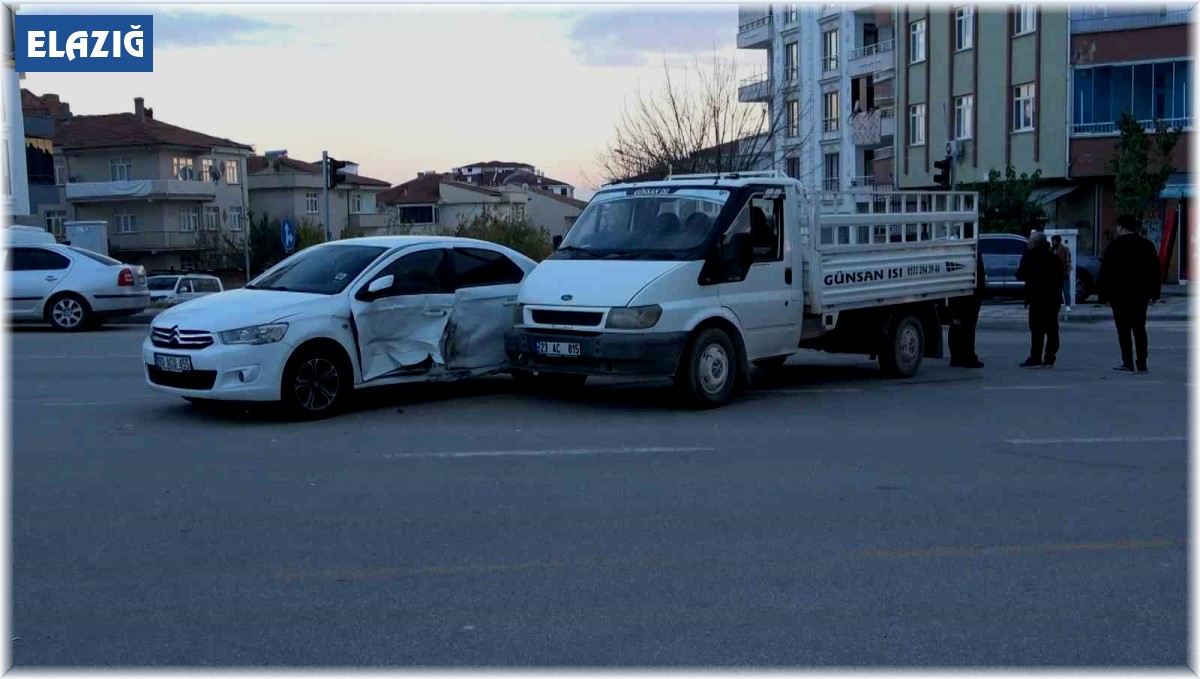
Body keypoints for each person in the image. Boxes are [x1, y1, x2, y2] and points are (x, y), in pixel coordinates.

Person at [1098, 215, 1162, 373]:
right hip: (1140, 295)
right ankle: (1142, 362)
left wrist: (1103, 296)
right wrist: (1155, 294)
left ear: (1120, 227)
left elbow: (1105, 273)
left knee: (1123, 330)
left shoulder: (1113, 247)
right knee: (1140, 329)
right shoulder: (1147, 246)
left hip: (1118, 296)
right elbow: (1155, 271)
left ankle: (1127, 362)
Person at [1015, 230, 1063, 367]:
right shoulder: (1053, 257)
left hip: (1037, 298)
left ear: (1035, 243)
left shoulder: (1031, 257)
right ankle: (1050, 357)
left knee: (1037, 329)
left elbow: (1020, 274)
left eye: (1029, 242)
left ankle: (1035, 357)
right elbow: (1060, 278)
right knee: (1052, 329)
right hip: (1053, 299)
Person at [948, 247, 985, 368]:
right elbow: (979, 275)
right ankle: (968, 356)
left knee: (956, 327)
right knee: (968, 328)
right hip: (970, 296)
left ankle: (956, 357)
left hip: (957, 294)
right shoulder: (973, 251)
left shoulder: (955, 251)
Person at [1051, 235, 1073, 311]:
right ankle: (1057, 304)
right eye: (1052, 241)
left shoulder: (1065, 249)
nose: (1053, 243)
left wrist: (1067, 271)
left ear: (1059, 241)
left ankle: (1067, 305)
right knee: (1056, 290)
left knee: (1066, 289)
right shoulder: (1051, 250)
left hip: (1063, 272)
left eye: (1054, 241)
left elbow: (1068, 261)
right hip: (1054, 274)